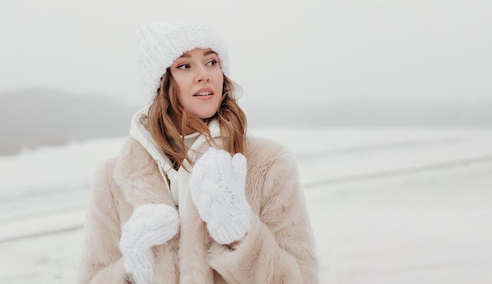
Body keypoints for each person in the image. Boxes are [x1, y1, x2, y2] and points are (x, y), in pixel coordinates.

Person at [78, 22, 319, 284]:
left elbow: (302, 279)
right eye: (184, 65)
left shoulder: (269, 164)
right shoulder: (113, 179)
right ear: (162, 84)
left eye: (212, 62)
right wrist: (134, 268)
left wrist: (241, 236)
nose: (204, 74)